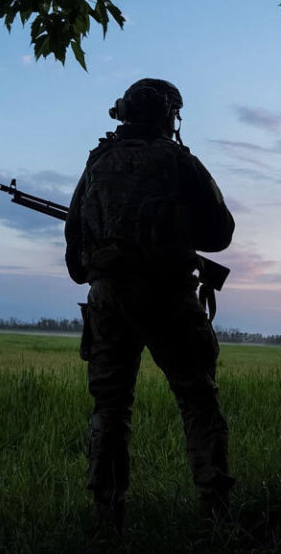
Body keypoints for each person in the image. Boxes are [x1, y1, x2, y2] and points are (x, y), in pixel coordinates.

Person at [64, 78, 236, 532]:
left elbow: (75, 259)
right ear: (168, 114)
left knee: (110, 409)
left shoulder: (97, 163)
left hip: (107, 302)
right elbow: (220, 233)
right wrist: (172, 235)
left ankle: (107, 519)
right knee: (199, 400)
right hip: (167, 296)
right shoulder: (179, 161)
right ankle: (217, 514)